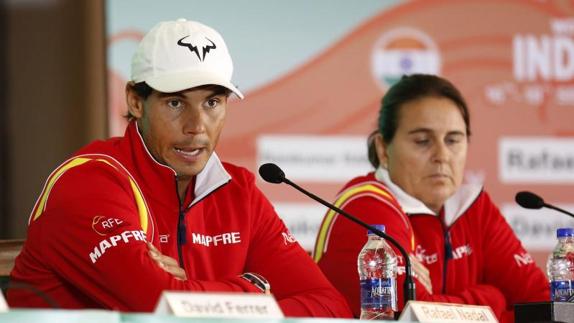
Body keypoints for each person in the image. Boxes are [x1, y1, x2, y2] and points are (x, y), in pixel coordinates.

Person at [8, 18, 352, 318]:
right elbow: (156, 305)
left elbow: (330, 306)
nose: (197, 126)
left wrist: (190, 289)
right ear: (135, 101)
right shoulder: (88, 181)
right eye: (176, 102)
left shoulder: (239, 190)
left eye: (212, 102)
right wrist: (254, 290)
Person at [313, 74, 549, 322]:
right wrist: (493, 298)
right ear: (383, 149)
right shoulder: (365, 206)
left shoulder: (475, 207)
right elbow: (413, 315)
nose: (442, 155)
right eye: (423, 141)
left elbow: (542, 304)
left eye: (453, 140)